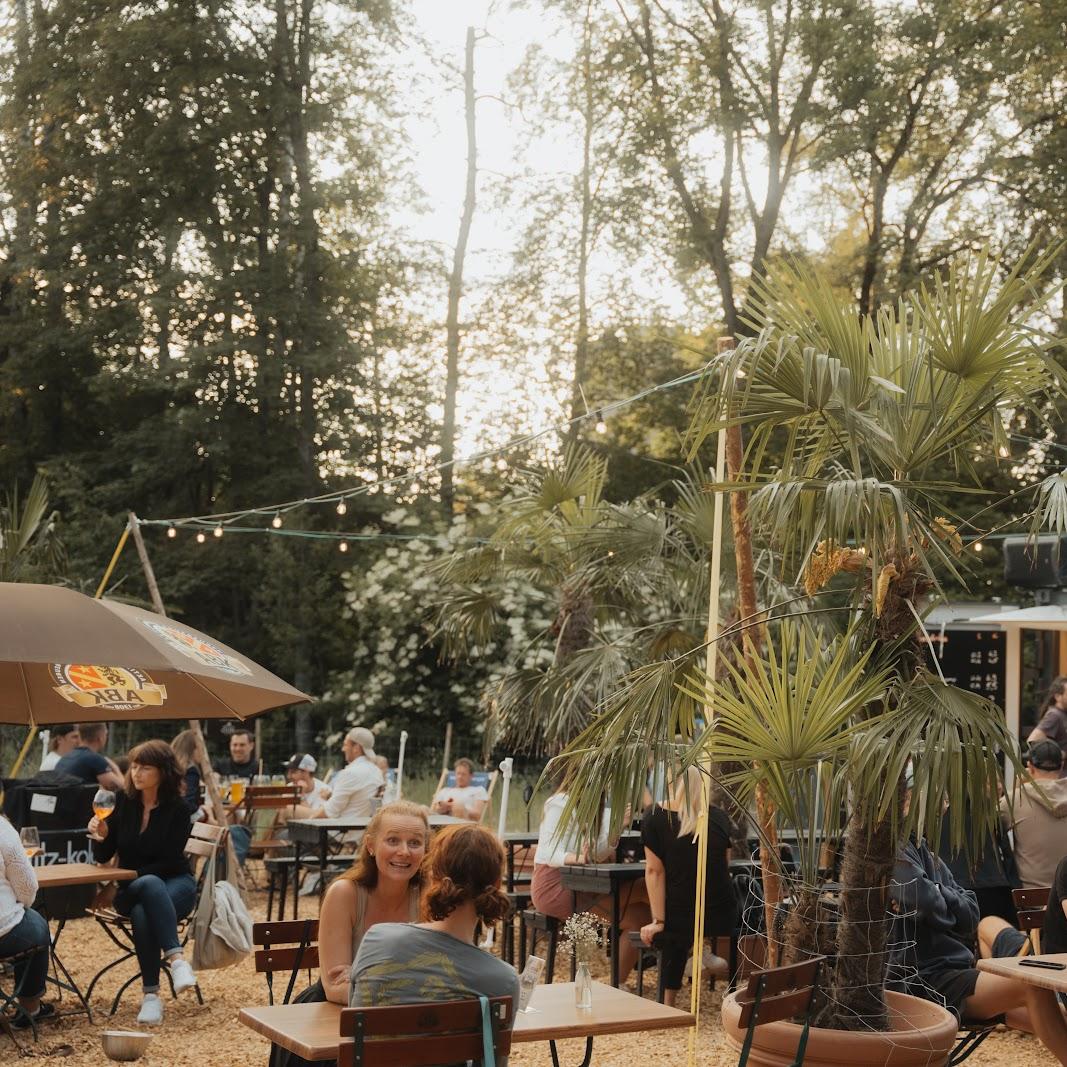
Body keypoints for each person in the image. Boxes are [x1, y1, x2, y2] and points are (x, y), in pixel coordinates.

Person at [266, 800, 429, 1067]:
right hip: (334, 1016)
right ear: (370, 846)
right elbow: (334, 987)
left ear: (425, 850)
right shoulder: (345, 893)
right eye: (392, 840)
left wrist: (364, 978)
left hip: (399, 1018)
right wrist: (405, 984)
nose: (404, 852)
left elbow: (435, 975)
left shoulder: (427, 897)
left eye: (414, 843)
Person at [890, 823, 1067, 1059]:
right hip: (923, 982)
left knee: (1055, 1011)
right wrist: (944, 900)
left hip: (954, 972)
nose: (944, 806)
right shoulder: (895, 849)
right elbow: (922, 900)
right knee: (1031, 985)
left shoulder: (924, 849)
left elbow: (971, 913)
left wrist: (936, 891)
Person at [350, 823, 519, 1062]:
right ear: (496, 884)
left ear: (433, 877)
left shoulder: (377, 939)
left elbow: (357, 1025)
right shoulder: (503, 980)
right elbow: (493, 1060)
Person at [89, 739, 198, 1027]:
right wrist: (100, 834)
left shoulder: (178, 809)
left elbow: (171, 860)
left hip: (176, 883)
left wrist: (133, 874)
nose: (136, 773)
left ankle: (151, 997)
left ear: (163, 772)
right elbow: (104, 854)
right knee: (146, 888)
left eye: (145, 767)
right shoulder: (122, 802)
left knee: (143, 912)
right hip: (132, 888)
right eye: (134, 766)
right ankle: (177, 961)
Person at [530, 764, 649, 981]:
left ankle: (616, 984)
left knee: (641, 916)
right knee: (643, 888)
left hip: (585, 881)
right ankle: (686, 944)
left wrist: (617, 828)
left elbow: (597, 854)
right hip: (555, 885)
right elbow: (547, 851)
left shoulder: (596, 805)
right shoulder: (560, 802)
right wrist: (579, 859)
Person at [639, 765, 736, 1006]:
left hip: (681, 917)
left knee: (675, 916)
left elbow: (654, 871)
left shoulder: (655, 816)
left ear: (671, 783)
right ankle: (702, 950)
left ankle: (668, 1002)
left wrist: (657, 921)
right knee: (688, 902)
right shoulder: (719, 817)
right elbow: (724, 865)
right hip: (722, 912)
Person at [0, 815, 53, 1029]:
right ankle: (30, 1009)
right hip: (5, 930)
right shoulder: (2, 829)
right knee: (36, 926)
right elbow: (27, 888)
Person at [1000, 740, 1067, 890]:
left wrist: (1017, 787)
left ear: (1029, 767)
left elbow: (990, 824)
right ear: (1062, 765)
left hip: (1031, 904)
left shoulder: (1015, 800)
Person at [294, 727, 382, 821]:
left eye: (345, 745)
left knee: (288, 810)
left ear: (356, 748)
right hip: (360, 826)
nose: (343, 749)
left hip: (339, 830)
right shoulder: (376, 771)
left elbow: (330, 811)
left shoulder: (351, 773)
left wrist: (308, 823)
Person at [54, 721, 124, 790]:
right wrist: (115, 768)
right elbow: (120, 787)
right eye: (106, 734)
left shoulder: (65, 758)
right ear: (100, 737)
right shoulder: (94, 759)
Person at [432, 757, 489, 822]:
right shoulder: (445, 791)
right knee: (423, 809)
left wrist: (455, 807)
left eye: (463, 774)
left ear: (471, 776)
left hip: (465, 825)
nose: (460, 777)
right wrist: (441, 808)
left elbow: (477, 815)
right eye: (458, 773)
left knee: (458, 807)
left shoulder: (478, 790)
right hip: (442, 822)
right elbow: (433, 810)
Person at [1027, 676, 1067, 767]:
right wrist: (1061, 754)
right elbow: (1033, 741)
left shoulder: (1063, 714)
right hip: (1059, 777)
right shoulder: (1054, 715)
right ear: (1057, 696)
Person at [171, 730, 208, 822]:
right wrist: (204, 814)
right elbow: (189, 806)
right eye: (202, 748)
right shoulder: (190, 771)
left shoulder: (170, 768)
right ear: (193, 749)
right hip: (184, 825)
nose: (204, 753)